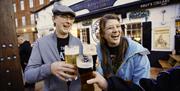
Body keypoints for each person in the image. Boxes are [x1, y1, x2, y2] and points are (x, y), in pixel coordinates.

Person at [24, 2, 83, 91]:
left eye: (71, 18)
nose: (68, 21)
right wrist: (50, 68)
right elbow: (28, 76)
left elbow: (81, 70)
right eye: (64, 16)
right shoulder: (41, 43)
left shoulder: (78, 42)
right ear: (54, 19)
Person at [95, 14, 150, 85]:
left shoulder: (137, 52)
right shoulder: (98, 49)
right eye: (110, 28)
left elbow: (141, 86)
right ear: (102, 34)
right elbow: (99, 71)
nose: (116, 30)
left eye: (118, 26)